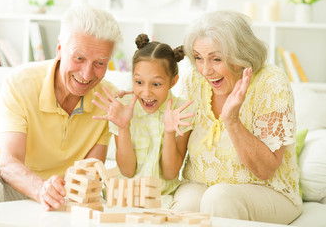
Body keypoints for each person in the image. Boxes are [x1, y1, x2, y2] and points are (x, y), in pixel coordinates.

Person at [0, 5, 122, 211]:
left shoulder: (107, 98)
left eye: (99, 63)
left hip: (67, 192)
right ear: (59, 49)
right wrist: (41, 189)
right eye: (79, 58)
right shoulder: (20, 83)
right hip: (15, 182)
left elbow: (91, 171)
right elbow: (10, 162)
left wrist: (65, 192)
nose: (86, 74)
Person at [171, 11, 302, 224]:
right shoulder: (193, 80)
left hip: (268, 190)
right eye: (198, 58)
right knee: (186, 206)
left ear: (241, 55)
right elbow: (173, 161)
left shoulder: (271, 82)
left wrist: (232, 121)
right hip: (201, 183)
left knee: (218, 198)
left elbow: (266, 170)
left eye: (216, 58)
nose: (205, 70)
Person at [92, 34, 194, 208]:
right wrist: (123, 127)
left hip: (163, 199)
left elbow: (170, 173)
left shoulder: (182, 110)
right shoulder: (122, 107)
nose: (146, 93)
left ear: (173, 81)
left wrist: (169, 131)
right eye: (139, 82)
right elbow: (127, 170)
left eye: (156, 84)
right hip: (125, 196)